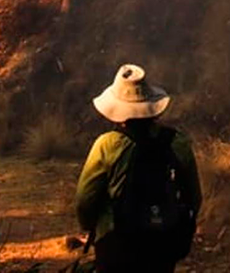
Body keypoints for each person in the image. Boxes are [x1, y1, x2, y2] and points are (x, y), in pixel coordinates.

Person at [75, 64, 201, 273]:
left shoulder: (106, 144)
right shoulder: (177, 142)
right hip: (163, 241)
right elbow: (194, 198)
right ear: (152, 106)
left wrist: (92, 228)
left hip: (115, 243)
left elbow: (85, 200)